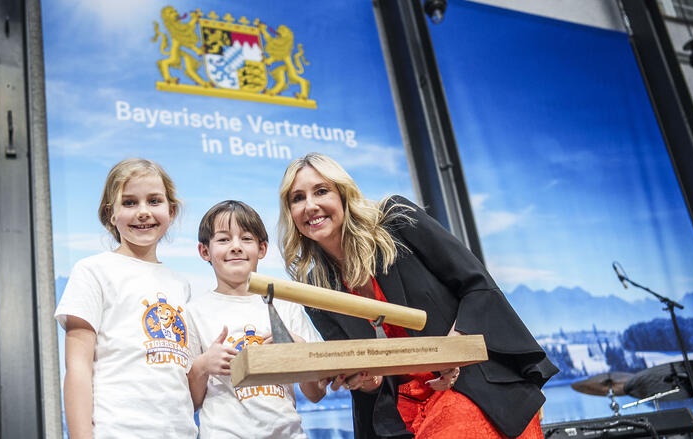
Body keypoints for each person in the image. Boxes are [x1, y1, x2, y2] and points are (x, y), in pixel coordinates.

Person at [277, 153, 557, 439]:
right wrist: (363, 379)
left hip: (472, 388)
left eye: (321, 191)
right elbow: (372, 381)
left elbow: (477, 285)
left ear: (343, 194)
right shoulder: (316, 288)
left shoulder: (396, 220)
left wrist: (453, 350)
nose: (310, 206)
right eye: (297, 198)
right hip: (399, 414)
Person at [54, 158, 196, 438]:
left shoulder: (181, 285)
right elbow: (78, 368)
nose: (143, 212)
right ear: (110, 214)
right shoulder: (92, 271)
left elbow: (181, 374)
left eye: (154, 201)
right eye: (129, 203)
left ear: (172, 210)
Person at [186, 200, 327, 438]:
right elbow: (190, 402)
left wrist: (300, 352)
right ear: (204, 251)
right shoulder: (193, 312)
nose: (236, 247)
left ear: (262, 249)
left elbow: (316, 393)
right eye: (223, 239)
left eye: (246, 239)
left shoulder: (286, 306)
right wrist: (202, 365)